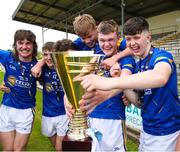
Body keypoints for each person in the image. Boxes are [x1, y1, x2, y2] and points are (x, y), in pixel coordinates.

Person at [77, 17, 180, 151]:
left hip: (166, 132)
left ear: (148, 37)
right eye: (129, 39)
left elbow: (161, 77)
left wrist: (109, 82)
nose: (132, 43)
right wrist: (121, 82)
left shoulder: (161, 56)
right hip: (147, 129)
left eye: (136, 37)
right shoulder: (139, 63)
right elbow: (138, 102)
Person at [67, 20, 135, 152]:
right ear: (98, 38)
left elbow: (125, 80)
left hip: (113, 118)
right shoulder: (92, 55)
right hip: (90, 117)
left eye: (111, 40)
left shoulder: (125, 59)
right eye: (102, 40)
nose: (107, 44)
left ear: (118, 39)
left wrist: (116, 69)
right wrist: (67, 96)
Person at [0, 29, 38, 151]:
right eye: (20, 43)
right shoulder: (8, 57)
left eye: (28, 43)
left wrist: (42, 62)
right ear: (15, 45)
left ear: (33, 45)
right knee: (7, 150)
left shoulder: (38, 65)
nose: (24, 47)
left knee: (19, 150)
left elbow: (54, 54)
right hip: (7, 108)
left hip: (26, 111)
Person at [39, 39, 74, 151]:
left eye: (51, 54)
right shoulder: (42, 69)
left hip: (63, 113)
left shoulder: (64, 67)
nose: (48, 57)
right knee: (56, 146)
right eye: (45, 55)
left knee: (59, 148)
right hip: (47, 113)